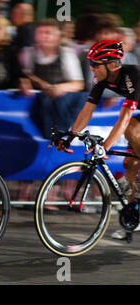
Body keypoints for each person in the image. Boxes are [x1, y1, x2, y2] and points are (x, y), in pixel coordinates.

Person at [54, 40, 140, 237]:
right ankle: (135, 215)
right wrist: (70, 136)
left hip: (133, 118)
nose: (91, 68)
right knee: (129, 164)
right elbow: (87, 110)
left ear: (111, 64)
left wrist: (106, 146)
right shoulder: (102, 79)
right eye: (90, 64)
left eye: (95, 64)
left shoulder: (132, 75)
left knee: (132, 129)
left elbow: (125, 117)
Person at [19, 18, 84, 138]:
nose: (44, 36)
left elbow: (79, 84)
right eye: (41, 33)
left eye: (49, 33)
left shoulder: (66, 53)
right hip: (34, 107)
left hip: (60, 105)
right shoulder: (27, 53)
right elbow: (23, 75)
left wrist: (61, 88)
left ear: (58, 36)